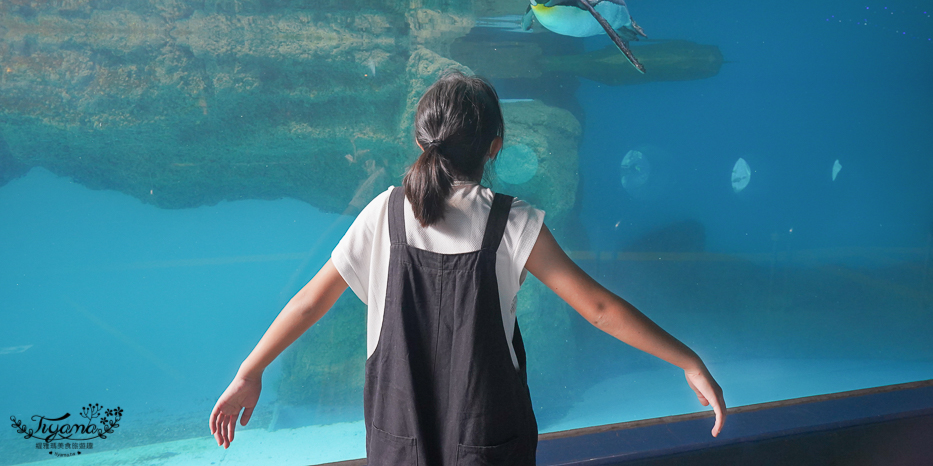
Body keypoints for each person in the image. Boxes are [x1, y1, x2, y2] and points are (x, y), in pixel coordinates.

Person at [210, 71, 726, 463]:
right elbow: (597, 309)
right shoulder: (513, 223)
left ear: (420, 140)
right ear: (496, 147)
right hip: (488, 441)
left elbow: (309, 303)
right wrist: (688, 360)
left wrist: (248, 372)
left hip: (398, 441)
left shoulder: (383, 213)